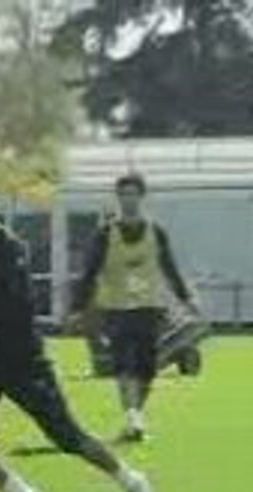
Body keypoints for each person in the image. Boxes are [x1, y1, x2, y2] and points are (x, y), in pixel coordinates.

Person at [0, 181, 155, 492]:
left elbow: (18, 307)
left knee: (67, 437)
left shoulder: (5, 246)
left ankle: (132, 481)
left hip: (21, 357)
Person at [74, 173, 196, 442]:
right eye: (123, 195)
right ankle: (132, 415)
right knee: (122, 365)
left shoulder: (157, 232)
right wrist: (78, 306)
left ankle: (135, 416)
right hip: (116, 308)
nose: (128, 200)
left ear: (142, 197)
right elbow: (90, 271)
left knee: (147, 368)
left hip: (149, 307)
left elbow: (169, 267)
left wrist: (185, 297)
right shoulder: (105, 233)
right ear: (117, 198)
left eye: (133, 194)